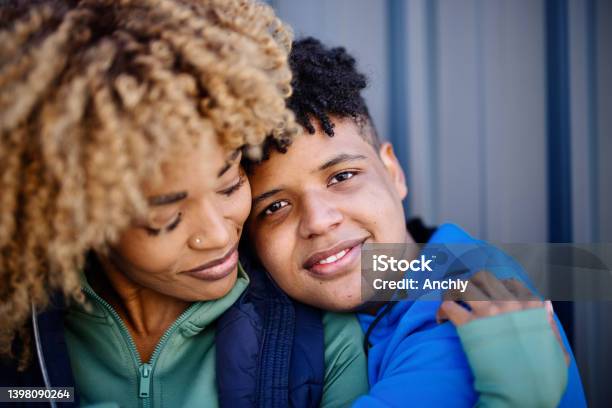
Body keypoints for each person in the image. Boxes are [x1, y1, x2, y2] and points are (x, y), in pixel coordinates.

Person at [0, 4, 367, 407]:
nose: (217, 234)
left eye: (229, 185)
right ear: (77, 215)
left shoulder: (317, 336)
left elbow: (420, 270)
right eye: (167, 217)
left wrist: (449, 272)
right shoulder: (19, 339)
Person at [244, 37, 587, 407]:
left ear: (393, 171)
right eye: (276, 206)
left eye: (342, 177)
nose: (319, 220)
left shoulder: (465, 308)